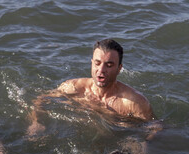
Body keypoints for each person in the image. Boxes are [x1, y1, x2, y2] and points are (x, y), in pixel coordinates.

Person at [28, 39, 157, 137]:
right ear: (91, 63)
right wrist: (37, 122)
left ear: (119, 69)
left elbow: (155, 128)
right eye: (97, 63)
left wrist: (142, 145)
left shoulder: (134, 102)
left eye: (109, 65)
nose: (101, 70)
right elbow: (42, 99)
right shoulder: (74, 88)